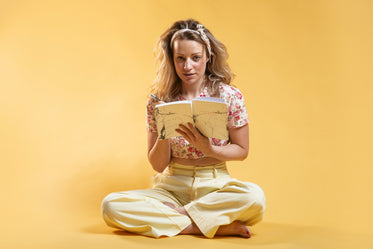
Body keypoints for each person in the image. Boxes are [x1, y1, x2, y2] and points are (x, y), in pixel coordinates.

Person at [101, 19, 266, 239]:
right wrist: (164, 129)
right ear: (172, 60)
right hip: (171, 188)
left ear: (208, 56)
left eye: (195, 58)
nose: (188, 66)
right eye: (180, 59)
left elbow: (242, 150)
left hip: (215, 187)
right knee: (110, 206)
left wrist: (210, 149)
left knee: (254, 198)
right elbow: (158, 165)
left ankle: (176, 218)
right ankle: (204, 225)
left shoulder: (229, 96)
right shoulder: (158, 100)